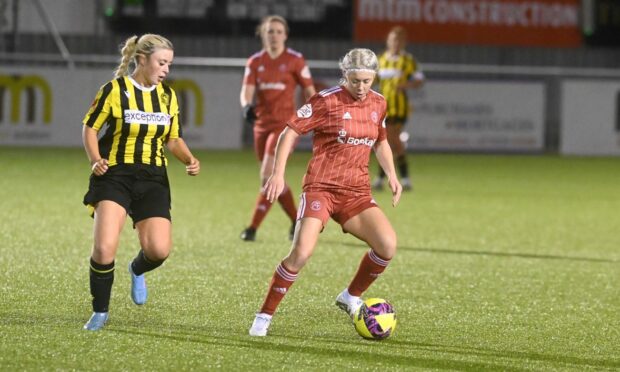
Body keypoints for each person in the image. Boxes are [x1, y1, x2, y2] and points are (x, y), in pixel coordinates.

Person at [249, 48, 403, 337]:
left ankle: (350, 296)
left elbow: (381, 141)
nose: (361, 87)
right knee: (301, 253)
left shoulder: (379, 103)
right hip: (321, 188)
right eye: (355, 80)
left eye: (367, 81)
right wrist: (277, 173)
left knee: (387, 245)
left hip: (356, 191)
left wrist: (393, 175)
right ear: (344, 75)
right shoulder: (326, 100)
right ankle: (264, 315)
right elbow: (290, 131)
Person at [81, 34, 200, 331]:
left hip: (153, 178)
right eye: (162, 63)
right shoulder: (113, 90)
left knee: (159, 250)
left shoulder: (168, 97)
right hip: (115, 175)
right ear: (142, 59)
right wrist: (96, 159)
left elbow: (173, 139)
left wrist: (188, 159)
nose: (166, 70)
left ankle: (136, 269)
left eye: (169, 64)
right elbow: (90, 127)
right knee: (104, 248)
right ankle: (100, 312)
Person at [239, 15, 316, 242]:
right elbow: (247, 90)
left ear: (286, 35)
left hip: (285, 127)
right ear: (263, 34)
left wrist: (312, 115)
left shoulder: (295, 60)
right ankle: (296, 220)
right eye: (270, 31)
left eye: (279, 31)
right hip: (261, 126)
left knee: (267, 175)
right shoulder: (255, 61)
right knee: (273, 178)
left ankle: (252, 228)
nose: (274, 35)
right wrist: (246, 106)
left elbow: (310, 91)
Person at [371, 26, 425, 191]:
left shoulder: (408, 60)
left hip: (399, 107)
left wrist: (405, 85)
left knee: (390, 139)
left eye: (398, 40)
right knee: (387, 142)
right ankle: (389, 178)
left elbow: (419, 80)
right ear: (388, 41)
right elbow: (373, 80)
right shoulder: (380, 59)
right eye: (393, 39)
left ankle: (401, 178)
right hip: (382, 107)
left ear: (403, 42)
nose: (395, 43)